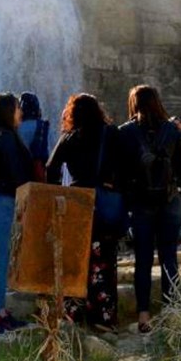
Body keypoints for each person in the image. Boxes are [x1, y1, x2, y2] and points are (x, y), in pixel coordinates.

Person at [118, 85, 181, 333]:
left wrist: (124, 206)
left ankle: (143, 316)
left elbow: (121, 176)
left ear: (133, 104)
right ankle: (173, 311)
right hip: (171, 201)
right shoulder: (172, 130)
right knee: (169, 257)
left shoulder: (125, 133)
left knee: (142, 260)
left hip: (141, 205)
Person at [45, 93, 122, 331]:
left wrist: (59, 192)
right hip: (104, 201)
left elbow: (50, 167)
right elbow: (125, 163)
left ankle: (73, 315)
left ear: (73, 114)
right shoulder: (111, 133)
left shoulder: (70, 137)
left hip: (77, 202)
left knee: (76, 259)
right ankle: (104, 318)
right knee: (104, 261)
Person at [0, 92, 34, 336]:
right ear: (8, 111)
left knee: (3, 260)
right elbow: (16, 174)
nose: (20, 112)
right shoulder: (7, 138)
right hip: (3, 203)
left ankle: (0, 312)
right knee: (0, 262)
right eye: (17, 108)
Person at [17, 92, 49, 181]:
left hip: (16, 176)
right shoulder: (41, 126)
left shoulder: (14, 127)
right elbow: (38, 159)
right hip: (34, 176)